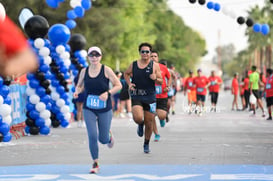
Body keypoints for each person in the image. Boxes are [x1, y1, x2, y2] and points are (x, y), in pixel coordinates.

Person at [73, 46, 122, 174]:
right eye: (91, 55)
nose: (94, 57)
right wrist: (77, 91)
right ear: (88, 57)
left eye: (97, 55)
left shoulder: (106, 70)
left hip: (104, 107)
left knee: (103, 139)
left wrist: (108, 93)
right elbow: (79, 86)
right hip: (89, 107)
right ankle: (95, 162)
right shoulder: (84, 71)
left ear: (100, 57)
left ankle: (109, 136)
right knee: (92, 135)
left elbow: (119, 85)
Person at [124, 42, 162, 153]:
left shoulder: (154, 66)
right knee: (138, 117)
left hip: (150, 96)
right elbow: (126, 74)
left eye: (147, 52)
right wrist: (129, 84)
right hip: (137, 94)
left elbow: (160, 81)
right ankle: (140, 124)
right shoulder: (134, 64)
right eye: (143, 51)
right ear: (140, 53)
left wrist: (155, 78)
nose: (145, 53)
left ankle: (146, 143)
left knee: (149, 123)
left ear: (150, 53)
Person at [150, 51, 171, 142]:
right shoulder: (145, 68)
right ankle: (156, 134)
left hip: (162, 95)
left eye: (155, 56)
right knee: (151, 116)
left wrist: (167, 86)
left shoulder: (163, 68)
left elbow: (169, 77)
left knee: (161, 115)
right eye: (152, 56)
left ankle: (162, 118)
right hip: (150, 96)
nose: (153, 57)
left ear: (158, 58)